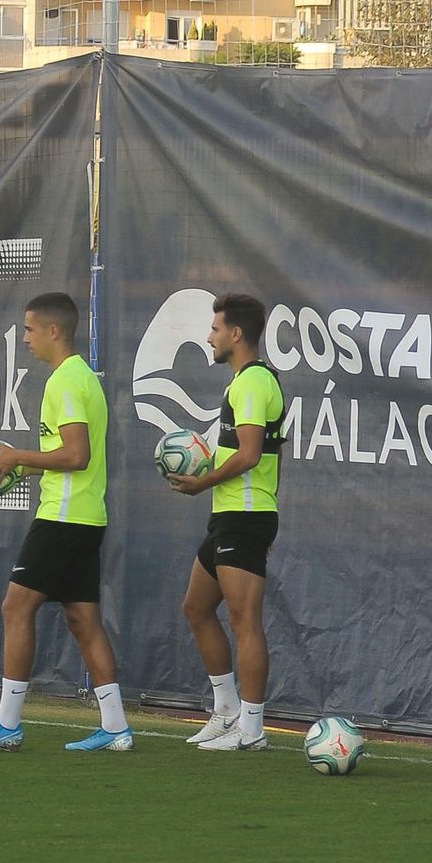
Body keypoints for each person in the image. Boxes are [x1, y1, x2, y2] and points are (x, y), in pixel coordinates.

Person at [0, 292, 132, 752]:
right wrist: (15, 469)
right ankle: (116, 728)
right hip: (85, 516)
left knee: (15, 608)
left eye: (30, 329)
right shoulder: (80, 378)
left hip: (63, 517)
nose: (25, 337)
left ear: (54, 331)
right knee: (82, 619)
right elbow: (69, 458)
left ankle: (7, 723)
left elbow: (77, 455)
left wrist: (16, 455)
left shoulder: (66, 382)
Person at [168, 293, 287, 751]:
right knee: (196, 609)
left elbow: (252, 454)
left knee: (244, 622)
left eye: (215, 329)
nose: (209, 336)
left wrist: (202, 482)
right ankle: (227, 711)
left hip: (244, 515)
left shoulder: (253, 383)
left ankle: (253, 730)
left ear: (236, 334)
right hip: (234, 516)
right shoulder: (242, 382)